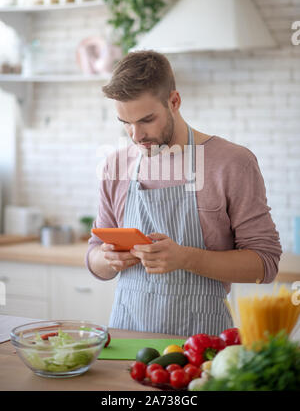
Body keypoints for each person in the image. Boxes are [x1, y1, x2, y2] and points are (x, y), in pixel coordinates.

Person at [86, 50, 282, 336]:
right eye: (125, 123)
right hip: (126, 341)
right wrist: (108, 260)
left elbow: (266, 264)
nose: (136, 136)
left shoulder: (232, 163)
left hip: (202, 347)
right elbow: (94, 257)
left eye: (146, 120)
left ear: (174, 101)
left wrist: (186, 258)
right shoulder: (116, 166)